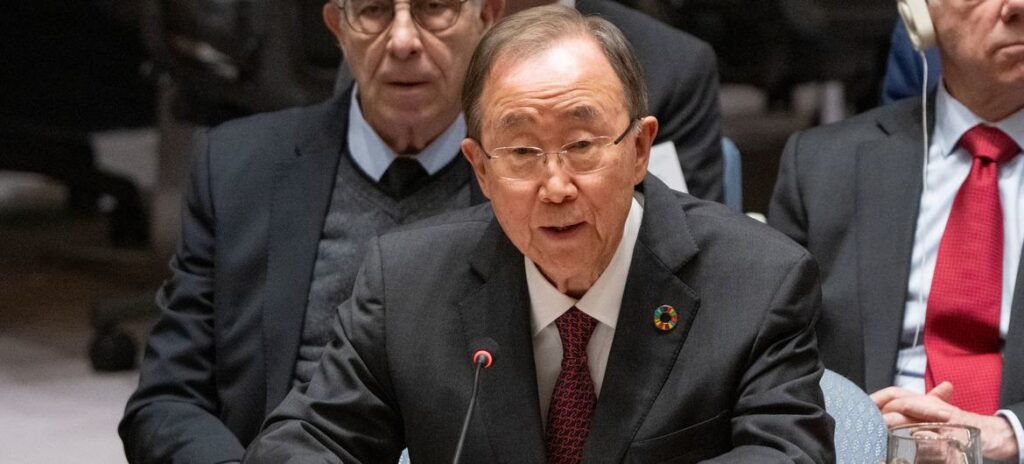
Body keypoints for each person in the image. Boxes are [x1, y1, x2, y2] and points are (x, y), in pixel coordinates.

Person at [244, 6, 833, 463]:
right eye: (522, 152)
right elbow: (302, 441)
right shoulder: (404, 284)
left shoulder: (758, 283)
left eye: (581, 145)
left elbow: (789, 453)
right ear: (481, 169)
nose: (555, 186)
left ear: (639, 149)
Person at [118, 0, 502, 461]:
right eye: (375, 10)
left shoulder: (529, 188)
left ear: (487, 16)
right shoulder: (235, 168)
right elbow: (166, 402)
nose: (402, 41)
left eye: (433, 7)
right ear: (338, 26)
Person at [769, 0, 1024, 461]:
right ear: (920, 10)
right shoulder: (822, 165)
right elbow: (771, 361)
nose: (1017, 7)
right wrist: (851, 424)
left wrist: (1011, 434)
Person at [335, 0, 725, 200]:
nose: (403, 43)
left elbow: (683, 252)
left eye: (581, 143)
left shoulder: (671, 64)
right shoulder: (396, 49)